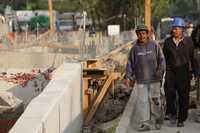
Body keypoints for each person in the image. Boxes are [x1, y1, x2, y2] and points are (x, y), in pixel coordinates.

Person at [125, 24, 166, 131]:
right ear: (137, 35)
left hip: (154, 79)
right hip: (141, 80)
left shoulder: (154, 45)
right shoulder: (134, 49)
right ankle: (145, 123)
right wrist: (128, 77)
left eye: (143, 33)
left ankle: (157, 120)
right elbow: (130, 63)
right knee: (143, 102)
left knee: (155, 100)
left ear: (147, 34)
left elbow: (162, 60)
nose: (141, 35)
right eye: (139, 33)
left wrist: (160, 71)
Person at [163, 17, 195, 127]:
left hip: (184, 73)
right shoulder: (167, 42)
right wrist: (165, 71)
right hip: (171, 72)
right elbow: (165, 58)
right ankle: (172, 113)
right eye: (174, 29)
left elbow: (193, 58)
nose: (175, 31)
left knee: (183, 96)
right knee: (169, 93)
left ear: (182, 29)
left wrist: (195, 73)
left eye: (177, 29)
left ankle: (181, 119)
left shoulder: (188, 42)